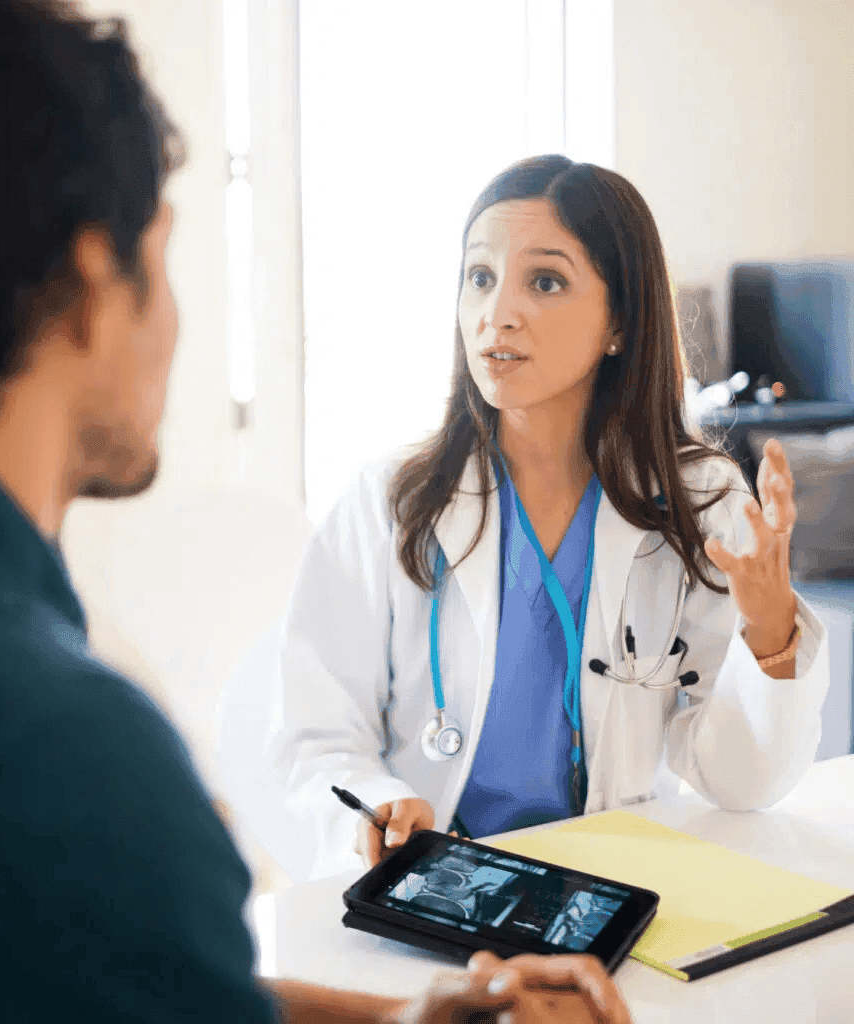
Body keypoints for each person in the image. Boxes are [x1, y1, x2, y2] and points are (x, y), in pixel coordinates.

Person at [0, 1, 635, 1021]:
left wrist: (402, 1016)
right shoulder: (65, 765)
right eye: (163, 256)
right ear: (90, 285)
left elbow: (112, 986)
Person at [268, 154, 830, 882]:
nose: (498, 312)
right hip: (438, 890)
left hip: (612, 887)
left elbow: (742, 783)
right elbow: (313, 739)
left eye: (545, 281)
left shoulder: (700, 505)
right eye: (480, 276)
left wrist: (772, 629)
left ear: (619, 323)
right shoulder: (392, 503)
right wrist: (377, 805)